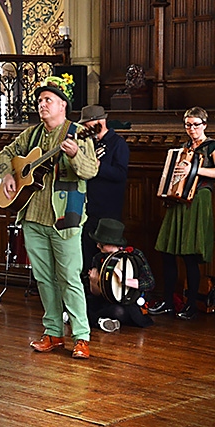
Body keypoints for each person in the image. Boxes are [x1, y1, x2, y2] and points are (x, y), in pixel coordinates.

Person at [0, 75, 98, 359]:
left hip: (66, 218)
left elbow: (90, 171)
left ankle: (81, 336)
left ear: (63, 105)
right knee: (43, 278)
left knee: (70, 278)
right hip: (33, 217)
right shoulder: (32, 134)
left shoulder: (78, 133)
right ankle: (53, 332)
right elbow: (5, 153)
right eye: (40, 100)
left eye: (48, 100)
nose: (42, 104)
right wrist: (6, 173)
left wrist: (76, 154)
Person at [150, 107, 215, 320]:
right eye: (188, 125)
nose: (192, 129)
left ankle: (191, 305)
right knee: (167, 252)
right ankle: (168, 302)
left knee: (189, 255)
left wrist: (194, 170)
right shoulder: (183, 148)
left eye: (196, 124)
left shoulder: (211, 145)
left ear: (204, 124)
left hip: (198, 200)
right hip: (178, 201)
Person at [79, 105, 130, 272]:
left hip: (108, 209)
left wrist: (98, 166)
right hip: (89, 207)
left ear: (100, 122)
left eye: (87, 126)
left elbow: (121, 174)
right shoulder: (89, 142)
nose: (85, 130)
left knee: (105, 256)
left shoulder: (118, 144)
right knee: (86, 253)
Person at [86, 218, 155, 332]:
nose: (97, 246)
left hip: (127, 302)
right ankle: (101, 321)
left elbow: (150, 283)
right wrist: (93, 282)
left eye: (101, 244)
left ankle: (95, 320)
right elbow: (97, 293)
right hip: (104, 301)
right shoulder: (98, 258)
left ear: (112, 243)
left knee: (118, 311)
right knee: (82, 302)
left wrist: (125, 281)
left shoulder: (134, 255)